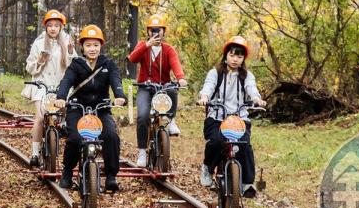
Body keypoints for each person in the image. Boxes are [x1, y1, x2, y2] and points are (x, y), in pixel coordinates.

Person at [54, 25, 126, 192]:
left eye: (95, 45)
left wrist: (120, 96)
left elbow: (116, 80)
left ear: (101, 46)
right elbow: (66, 81)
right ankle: (67, 172)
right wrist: (60, 97)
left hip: (101, 108)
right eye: (88, 45)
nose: (92, 49)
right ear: (82, 47)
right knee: (74, 138)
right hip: (77, 107)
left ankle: (110, 176)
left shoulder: (108, 64)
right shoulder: (76, 64)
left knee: (111, 136)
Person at [196, 36, 267, 196]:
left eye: (239, 56)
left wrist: (256, 98)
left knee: (245, 146)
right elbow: (208, 86)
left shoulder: (246, 76)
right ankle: (207, 168)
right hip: (217, 118)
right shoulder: (216, 73)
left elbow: (251, 88)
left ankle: (247, 183)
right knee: (216, 142)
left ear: (243, 59)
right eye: (232, 55)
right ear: (226, 55)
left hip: (239, 120)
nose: (235, 59)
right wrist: (205, 97)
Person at [127, 15, 187, 167]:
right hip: (145, 87)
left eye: (159, 30)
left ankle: (171, 120)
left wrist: (180, 78)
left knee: (173, 89)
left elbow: (176, 65)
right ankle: (142, 152)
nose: (156, 33)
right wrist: (147, 45)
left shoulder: (168, 50)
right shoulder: (142, 45)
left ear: (163, 32)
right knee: (142, 117)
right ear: (148, 31)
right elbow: (132, 59)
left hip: (162, 87)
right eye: (152, 30)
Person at [23, 9, 76, 166]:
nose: (53, 28)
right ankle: (34, 152)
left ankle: (67, 141)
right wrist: (40, 61)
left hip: (61, 86)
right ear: (46, 27)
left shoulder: (67, 42)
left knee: (68, 111)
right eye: (50, 25)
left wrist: (72, 52)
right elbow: (29, 67)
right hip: (42, 86)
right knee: (39, 118)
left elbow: (75, 66)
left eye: (56, 25)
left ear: (61, 27)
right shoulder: (39, 44)